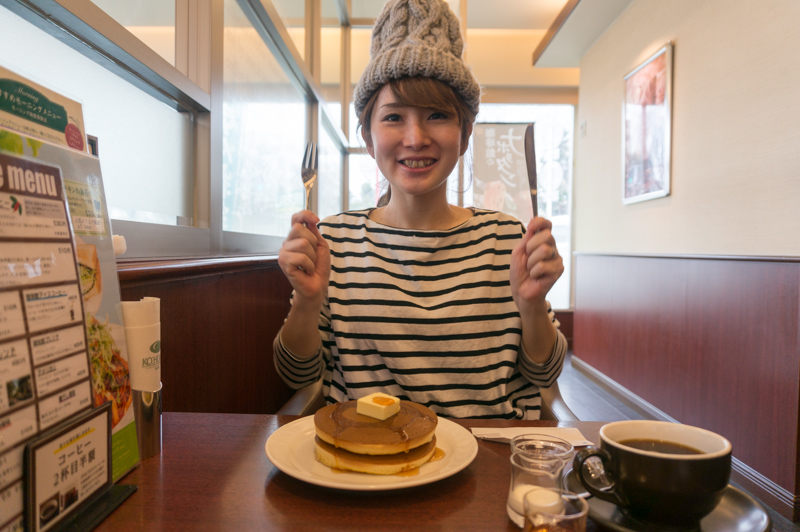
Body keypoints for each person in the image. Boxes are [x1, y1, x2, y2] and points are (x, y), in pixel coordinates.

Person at [273, 0, 566, 419]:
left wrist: (532, 306)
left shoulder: (507, 239)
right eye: (394, 117)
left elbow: (545, 374)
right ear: (368, 138)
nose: (415, 138)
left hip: (490, 450)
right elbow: (297, 375)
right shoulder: (333, 242)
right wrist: (307, 300)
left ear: (464, 135)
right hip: (367, 450)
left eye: (437, 115)